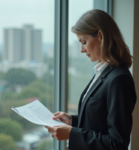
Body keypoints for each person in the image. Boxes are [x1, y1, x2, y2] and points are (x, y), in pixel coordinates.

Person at [45, 9, 137, 150]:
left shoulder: (119, 79)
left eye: (84, 42)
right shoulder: (102, 72)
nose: (82, 49)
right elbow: (99, 121)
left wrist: (72, 134)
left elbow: (117, 144)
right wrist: (72, 120)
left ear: (100, 36)